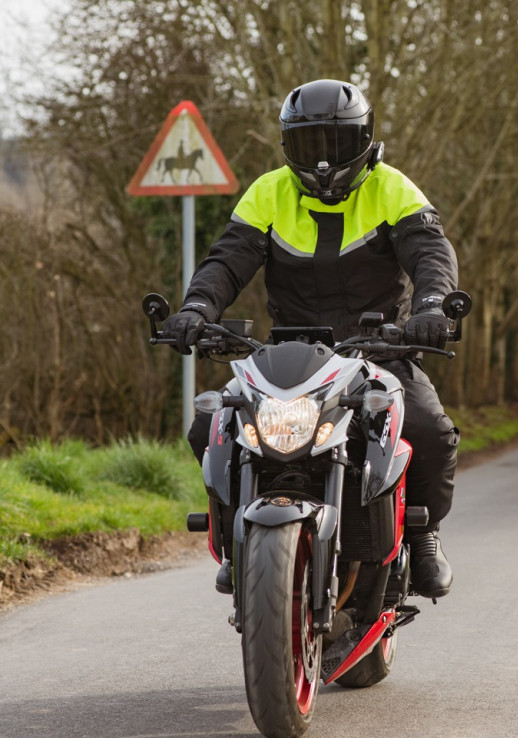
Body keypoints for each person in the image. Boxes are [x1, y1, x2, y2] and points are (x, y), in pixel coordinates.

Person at [163, 79, 460, 599]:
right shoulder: (268, 192)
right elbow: (225, 263)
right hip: (290, 355)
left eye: (337, 143)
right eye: (309, 144)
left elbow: (431, 254)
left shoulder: (392, 188)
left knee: (430, 431)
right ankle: (239, 545)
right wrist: (196, 308)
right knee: (211, 427)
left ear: (364, 140)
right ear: (287, 145)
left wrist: (432, 307)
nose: (323, 161)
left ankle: (423, 533)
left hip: (380, 350)